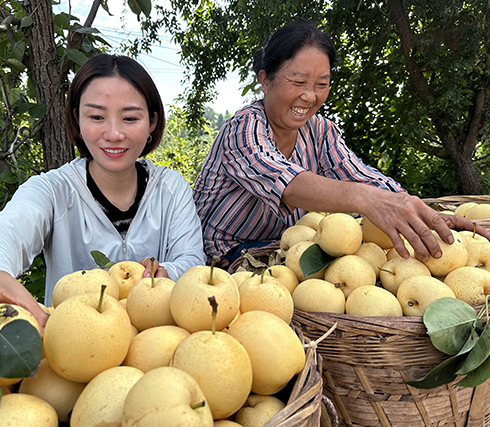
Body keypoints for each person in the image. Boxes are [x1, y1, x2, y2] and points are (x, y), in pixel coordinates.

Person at [0, 53, 206, 351]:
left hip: (154, 349)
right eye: (96, 117)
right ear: (77, 119)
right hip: (71, 350)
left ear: (152, 122)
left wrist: (167, 271)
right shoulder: (54, 190)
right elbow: (5, 233)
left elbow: (193, 260)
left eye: (130, 118)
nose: (114, 134)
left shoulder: (171, 188)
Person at [193, 19, 490, 267]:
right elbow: (288, 185)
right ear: (265, 80)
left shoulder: (321, 131)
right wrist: (368, 200)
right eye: (298, 82)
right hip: (228, 258)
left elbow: (360, 176)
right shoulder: (243, 129)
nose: (310, 96)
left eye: (322, 84)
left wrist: (414, 208)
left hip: (290, 251)